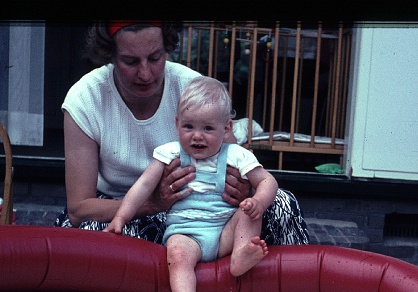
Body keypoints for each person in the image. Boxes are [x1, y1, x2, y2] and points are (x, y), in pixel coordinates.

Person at [55, 21, 309, 246]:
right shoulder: (86, 98)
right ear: (110, 55)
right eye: (131, 61)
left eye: (155, 58)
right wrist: (154, 204)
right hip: (121, 205)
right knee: (91, 233)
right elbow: (79, 208)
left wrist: (243, 191)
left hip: (201, 207)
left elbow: (235, 159)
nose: (145, 73)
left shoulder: (192, 87)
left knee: (283, 205)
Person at [105, 76, 276, 292]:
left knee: (249, 211)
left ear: (226, 128)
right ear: (176, 125)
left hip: (224, 232)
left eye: (208, 129)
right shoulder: (170, 153)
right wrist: (121, 217)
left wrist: (258, 201)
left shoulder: (237, 155)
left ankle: (240, 255)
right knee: (177, 256)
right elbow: (143, 186)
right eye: (189, 127)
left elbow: (267, 181)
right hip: (186, 232)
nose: (197, 136)